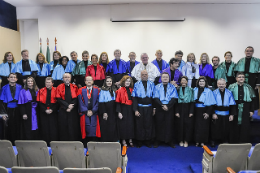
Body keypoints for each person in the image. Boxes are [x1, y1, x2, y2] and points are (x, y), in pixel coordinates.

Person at [228, 72, 256, 143]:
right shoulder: (231, 87)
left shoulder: (248, 87)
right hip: (234, 107)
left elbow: (252, 100)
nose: (241, 78)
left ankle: (243, 141)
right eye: (239, 77)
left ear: (244, 78)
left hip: (246, 108)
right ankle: (234, 141)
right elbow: (228, 99)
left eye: (242, 77)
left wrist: (251, 110)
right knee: (234, 124)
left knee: (245, 125)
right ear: (236, 78)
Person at [153, 72, 178, 148]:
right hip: (159, 107)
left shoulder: (172, 87)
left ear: (169, 78)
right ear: (161, 78)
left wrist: (168, 106)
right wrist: (162, 105)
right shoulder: (157, 87)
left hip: (169, 108)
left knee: (169, 124)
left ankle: (169, 141)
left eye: (166, 77)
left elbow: (174, 98)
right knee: (159, 124)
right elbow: (155, 98)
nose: (165, 78)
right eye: (163, 77)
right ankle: (158, 140)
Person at [132, 70, 155, 148]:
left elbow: (154, 98)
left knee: (148, 124)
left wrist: (154, 108)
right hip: (140, 107)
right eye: (143, 75)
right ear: (140, 76)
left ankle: (147, 141)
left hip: (149, 107)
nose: (144, 76)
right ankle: (139, 141)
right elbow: (134, 98)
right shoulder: (136, 84)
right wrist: (135, 110)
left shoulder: (152, 84)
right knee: (139, 125)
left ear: (148, 75)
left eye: (145, 74)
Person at [211, 78, 236, 147]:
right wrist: (213, 113)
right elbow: (211, 104)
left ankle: (224, 140)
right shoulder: (214, 92)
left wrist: (232, 114)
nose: (221, 85)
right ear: (217, 84)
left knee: (225, 128)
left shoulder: (229, 93)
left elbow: (232, 105)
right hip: (217, 113)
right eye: (219, 84)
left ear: (225, 85)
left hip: (226, 113)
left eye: (222, 84)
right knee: (215, 128)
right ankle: (213, 140)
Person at [56, 73, 80, 141]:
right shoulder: (59, 87)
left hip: (73, 110)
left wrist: (71, 106)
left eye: (68, 77)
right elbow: (58, 99)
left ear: (71, 78)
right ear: (63, 79)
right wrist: (67, 106)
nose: (67, 78)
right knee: (63, 126)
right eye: (65, 77)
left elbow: (77, 98)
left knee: (73, 126)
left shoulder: (74, 87)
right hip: (63, 109)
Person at [78, 76, 101, 146]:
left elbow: (98, 101)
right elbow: (80, 101)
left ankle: (94, 143)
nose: (88, 82)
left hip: (94, 112)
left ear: (93, 81)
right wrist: (86, 111)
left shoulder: (97, 90)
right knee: (85, 127)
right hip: (85, 113)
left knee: (94, 127)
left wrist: (93, 111)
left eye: (90, 80)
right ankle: (86, 143)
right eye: (87, 80)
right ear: (85, 82)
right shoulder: (81, 90)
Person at [193, 76, 216, 147]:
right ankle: (197, 141)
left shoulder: (209, 91)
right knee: (196, 126)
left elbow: (211, 103)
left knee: (204, 127)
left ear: (205, 83)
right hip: (195, 110)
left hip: (205, 110)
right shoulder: (194, 89)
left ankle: (203, 141)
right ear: (198, 82)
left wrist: (208, 113)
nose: (201, 83)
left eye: (203, 81)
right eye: (200, 81)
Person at [0, 73, 22, 145]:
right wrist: (3, 113)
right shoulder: (4, 88)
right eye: (11, 77)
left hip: (18, 110)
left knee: (18, 127)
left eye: (14, 77)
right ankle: (9, 144)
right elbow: (1, 102)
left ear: (17, 79)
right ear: (8, 79)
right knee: (8, 127)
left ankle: (17, 144)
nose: (13, 78)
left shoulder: (20, 87)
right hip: (8, 109)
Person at [36, 77, 58, 145]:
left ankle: (53, 144)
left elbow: (58, 102)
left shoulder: (56, 90)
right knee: (44, 128)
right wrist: (45, 110)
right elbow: (39, 102)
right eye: (46, 82)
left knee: (53, 128)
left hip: (53, 112)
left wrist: (52, 109)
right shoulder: (41, 90)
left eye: (49, 82)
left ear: (52, 83)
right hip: (44, 112)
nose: (47, 84)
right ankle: (45, 143)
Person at [175, 76, 195, 147]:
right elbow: (175, 102)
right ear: (180, 82)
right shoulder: (177, 89)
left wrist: (191, 112)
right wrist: (176, 111)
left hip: (188, 108)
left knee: (188, 125)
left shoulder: (191, 90)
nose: (183, 82)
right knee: (180, 125)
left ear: (187, 82)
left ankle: (186, 140)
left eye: (185, 80)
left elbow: (192, 101)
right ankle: (180, 140)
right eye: (182, 80)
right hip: (180, 108)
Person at [116, 75, 135, 147]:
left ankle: (130, 140)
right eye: (126, 81)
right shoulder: (119, 90)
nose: (128, 82)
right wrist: (119, 112)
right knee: (123, 125)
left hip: (130, 109)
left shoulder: (132, 89)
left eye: (129, 81)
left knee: (130, 124)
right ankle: (123, 141)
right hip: (123, 108)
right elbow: (117, 102)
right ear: (123, 82)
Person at [98, 76, 118, 142]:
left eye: (110, 81)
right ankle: (106, 141)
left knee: (113, 126)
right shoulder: (102, 90)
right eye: (107, 81)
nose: (109, 82)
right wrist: (104, 112)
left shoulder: (114, 90)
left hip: (113, 110)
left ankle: (113, 140)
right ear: (105, 82)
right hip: (106, 110)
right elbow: (101, 102)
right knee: (105, 126)